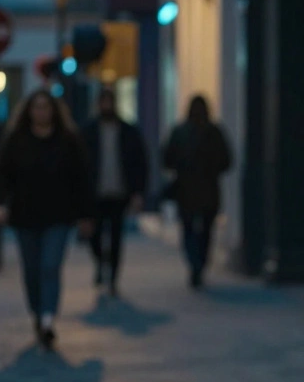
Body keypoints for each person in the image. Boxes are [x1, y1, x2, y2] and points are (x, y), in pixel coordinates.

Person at [0, 89, 95, 350]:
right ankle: (38, 313)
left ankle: (48, 318)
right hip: (25, 216)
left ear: (54, 111)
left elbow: (82, 178)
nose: (41, 112)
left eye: (46, 107)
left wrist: (86, 214)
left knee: (50, 266)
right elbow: (1, 175)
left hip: (59, 216)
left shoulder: (68, 141)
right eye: (36, 107)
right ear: (29, 111)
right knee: (31, 270)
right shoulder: (17, 141)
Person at [82, 88, 149, 296]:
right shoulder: (89, 131)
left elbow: (140, 163)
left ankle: (113, 277)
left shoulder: (128, 131)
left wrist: (137, 192)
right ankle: (101, 262)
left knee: (116, 237)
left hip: (120, 193)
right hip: (95, 193)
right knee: (94, 236)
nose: (107, 106)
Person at [161, 95, 232, 288]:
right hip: (207, 191)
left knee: (189, 230)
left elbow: (167, 159)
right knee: (205, 231)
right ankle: (199, 264)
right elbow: (226, 161)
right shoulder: (214, 132)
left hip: (187, 191)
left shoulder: (181, 132)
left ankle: (195, 264)